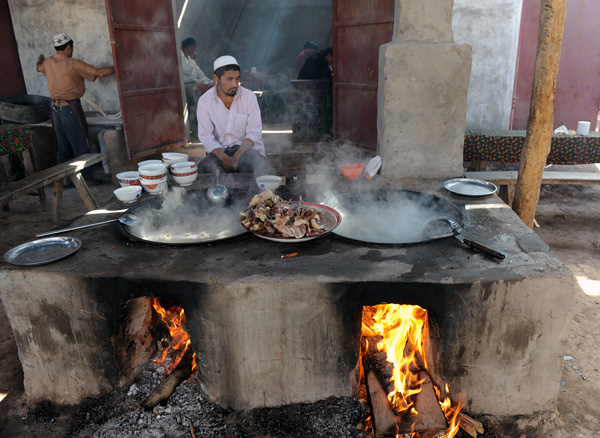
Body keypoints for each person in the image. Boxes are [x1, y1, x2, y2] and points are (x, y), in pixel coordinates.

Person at [36, 33, 115, 184]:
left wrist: (40, 58)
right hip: (69, 109)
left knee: (63, 147)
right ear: (67, 48)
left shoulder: (47, 63)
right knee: (80, 144)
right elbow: (99, 73)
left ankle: (63, 180)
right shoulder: (73, 63)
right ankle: (86, 179)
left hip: (55, 110)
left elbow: (38, 67)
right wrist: (117, 66)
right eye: (71, 48)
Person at [196, 55, 267, 176]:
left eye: (237, 79)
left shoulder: (249, 97)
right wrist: (224, 158)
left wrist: (235, 158)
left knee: (252, 171)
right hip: (220, 152)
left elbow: (254, 132)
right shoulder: (204, 101)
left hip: (246, 151)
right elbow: (206, 136)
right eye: (229, 79)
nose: (235, 84)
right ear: (216, 78)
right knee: (203, 171)